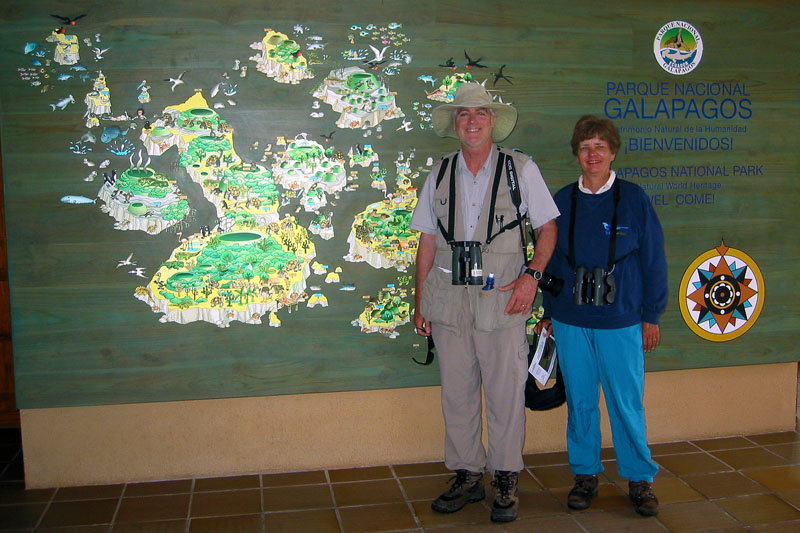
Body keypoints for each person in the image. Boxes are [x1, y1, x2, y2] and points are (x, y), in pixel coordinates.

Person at [410, 82, 559, 523]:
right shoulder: (438, 173)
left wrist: (532, 278)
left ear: (493, 121)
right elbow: (427, 241)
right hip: (448, 302)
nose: (472, 122)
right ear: (455, 124)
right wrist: (420, 304)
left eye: (480, 113)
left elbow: (548, 227)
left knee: (505, 393)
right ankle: (467, 475)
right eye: (463, 114)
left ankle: (506, 477)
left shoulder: (521, 169)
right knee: (456, 394)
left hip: (503, 301)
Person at [535, 115, 667, 517]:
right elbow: (550, 261)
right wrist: (549, 313)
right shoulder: (559, 201)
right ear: (576, 153)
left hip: (622, 319)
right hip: (572, 320)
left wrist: (652, 315)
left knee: (626, 403)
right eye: (585, 147)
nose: (593, 154)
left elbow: (653, 260)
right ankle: (585, 474)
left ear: (613, 152)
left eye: (600, 146)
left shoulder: (634, 199)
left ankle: (639, 477)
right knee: (580, 401)